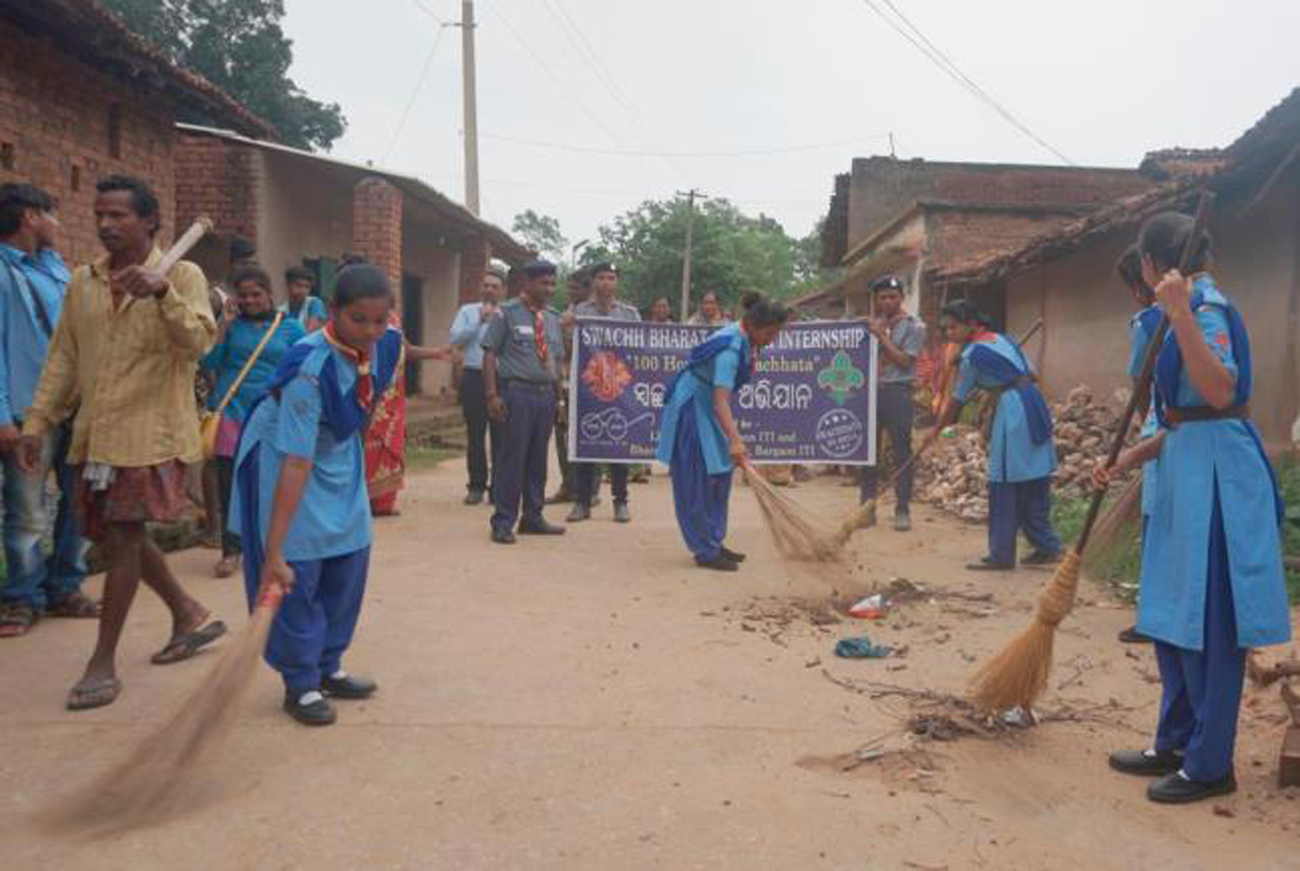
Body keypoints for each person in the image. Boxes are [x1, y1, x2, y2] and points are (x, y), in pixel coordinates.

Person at [1099, 212, 1289, 804]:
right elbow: (1184, 416)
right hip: (1184, 463)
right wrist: (1134, 456)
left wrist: (1179, 312)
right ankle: (1176, 741)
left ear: (1154, 265)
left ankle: (1210, 764)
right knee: (1172, 615)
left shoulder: (1205, 310)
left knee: (1209, 622)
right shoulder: (1177, 312)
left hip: (1218, 477)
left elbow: (1219, 394)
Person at [18, 175, 225, 710]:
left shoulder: (182, 273)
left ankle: (101, 662)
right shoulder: (82, 282)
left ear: (150, 221)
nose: (107, 225)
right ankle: (187, 614)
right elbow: (63, 358)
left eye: (120, 216)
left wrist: (162, 295)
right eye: (100, 216)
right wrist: (37, 424)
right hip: (96, 434)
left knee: (124, 536)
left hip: (151, 434)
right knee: (119, 536)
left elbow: (199, 341)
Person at [230, 262, 400, 726]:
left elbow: (366, 405)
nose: (368, 331)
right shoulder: (309, 369)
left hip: (337, 451)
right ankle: (300, 681)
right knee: (298, 569)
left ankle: (328, 665)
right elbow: (296, 462)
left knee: (349, 555)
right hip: (286, 455)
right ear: (333, 313)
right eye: (357, 320)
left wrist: (356, 474)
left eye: (378, 320)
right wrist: (273, 550)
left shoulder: (387, 345)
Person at [0, 184, 94, 638]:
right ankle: (21, 597)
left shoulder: (56, 268)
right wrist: (2, 419)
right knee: (26, 509)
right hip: (26, 410)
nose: (59, 222)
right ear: (31, 217)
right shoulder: (1, 273)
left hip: (75, 407)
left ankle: (65, 585)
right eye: (53, 214)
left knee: (80, 501)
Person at [657, 295, 791, 571]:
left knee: (719, 475)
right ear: (753, 325)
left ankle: (714, 540)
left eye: (776, 334)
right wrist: (736, 440)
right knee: (697, 480)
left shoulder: (744, 338)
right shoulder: (730, 349)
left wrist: (732, 441)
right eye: (769, 333)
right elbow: (721, 401)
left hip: (707, 406)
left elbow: (720, 401)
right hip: (691, 408)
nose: (772, 340)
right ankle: (704, 550)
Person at [927, 299, 1061, 571]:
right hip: (1033, 401)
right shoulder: (1004, 340)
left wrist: (937, 428)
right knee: (1034, 478)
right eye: (945, 329)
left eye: (953, 328)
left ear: (971, 325)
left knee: (1003, 481)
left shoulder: (972, 356)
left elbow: (957, 399)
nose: (948, 334)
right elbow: (1030, 374)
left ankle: (1001, 554)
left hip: (1014, 411)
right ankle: (1046, 546)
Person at [200, 263, 305, 578]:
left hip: (271, 415)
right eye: (243, 295)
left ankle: (269, 548)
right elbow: (209, 360)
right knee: (229, 482)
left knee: (268, 481)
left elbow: (301, 367)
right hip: (231, 411)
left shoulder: (290, 328)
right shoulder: (232, 325)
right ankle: (231, 551)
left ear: (270, 294)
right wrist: (223, 327)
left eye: (256, 294)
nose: (249, 301)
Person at [483, 259, 566, 544]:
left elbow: (556, 360)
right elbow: (490, 353)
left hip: (545, 397)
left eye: (553, 283)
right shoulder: (506, 313)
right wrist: (492, 394)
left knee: (537, 461)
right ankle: (503, 522)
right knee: (512, 460)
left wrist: (560, 399)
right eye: (544, 283)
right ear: (527, 283)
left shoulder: (553, 317)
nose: (550, 288)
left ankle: (533, 517)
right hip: (515, 394)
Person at [567, 262, 640, 524]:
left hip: (619, 388)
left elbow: (640, 351)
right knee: (585, 444)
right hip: (588, 386)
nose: (606, 282)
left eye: (611, 277)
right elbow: (566, 344)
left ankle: (621, 502)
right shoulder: (579, 311)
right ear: (593, 281)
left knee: (618, 446)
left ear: (617, 282)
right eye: (601, 277)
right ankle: (581, 502)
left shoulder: (629, 314)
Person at [1115, 244, 1160, 645]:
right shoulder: (1209, 311)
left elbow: (1141, 380)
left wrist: (1150, 419)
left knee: (1158, 522)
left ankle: (1155, 616)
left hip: (1166, 430)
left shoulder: (1148, 321)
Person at [858, 275, 926, 532]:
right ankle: (866, 508)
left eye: (892, 297)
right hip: (870, 393)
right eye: (882, 297)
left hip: (898, 393)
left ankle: (902, 509)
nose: (887, 301)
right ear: (876, 299)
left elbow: (904, 362)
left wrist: (880, 336)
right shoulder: (871, 324)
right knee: (868, 453)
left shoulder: (914, 327)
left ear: (902, 298)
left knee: (901, 452)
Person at [449, 266, 505, 505]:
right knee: (475, 434)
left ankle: (498, 488)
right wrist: (478, 322)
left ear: (503, 290)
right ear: (480, 288)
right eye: (486, 285)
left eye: (495, 286)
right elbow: (454, 339)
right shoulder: (467, 311)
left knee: (501, 436)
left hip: (502, 379)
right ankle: (476, 486)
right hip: (473, 377)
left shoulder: (509, 313)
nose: (490, 290)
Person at [548, 266, 594, 505]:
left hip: (593, 385)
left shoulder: (598, 316)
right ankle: (568, 485)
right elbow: (559, 352)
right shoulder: (564, 315)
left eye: (575, 288)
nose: (570, 292)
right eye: (568, 288)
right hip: (566, 381)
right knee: (562, 434)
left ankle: (590, 490)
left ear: (588, 290)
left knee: (592, 436)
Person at [281, 264, 326, 332]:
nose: (303, 291)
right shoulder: (282, 310)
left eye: (307, 287)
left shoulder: (314, 303)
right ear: (288, 285)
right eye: (298, 286)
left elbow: (310, 333)